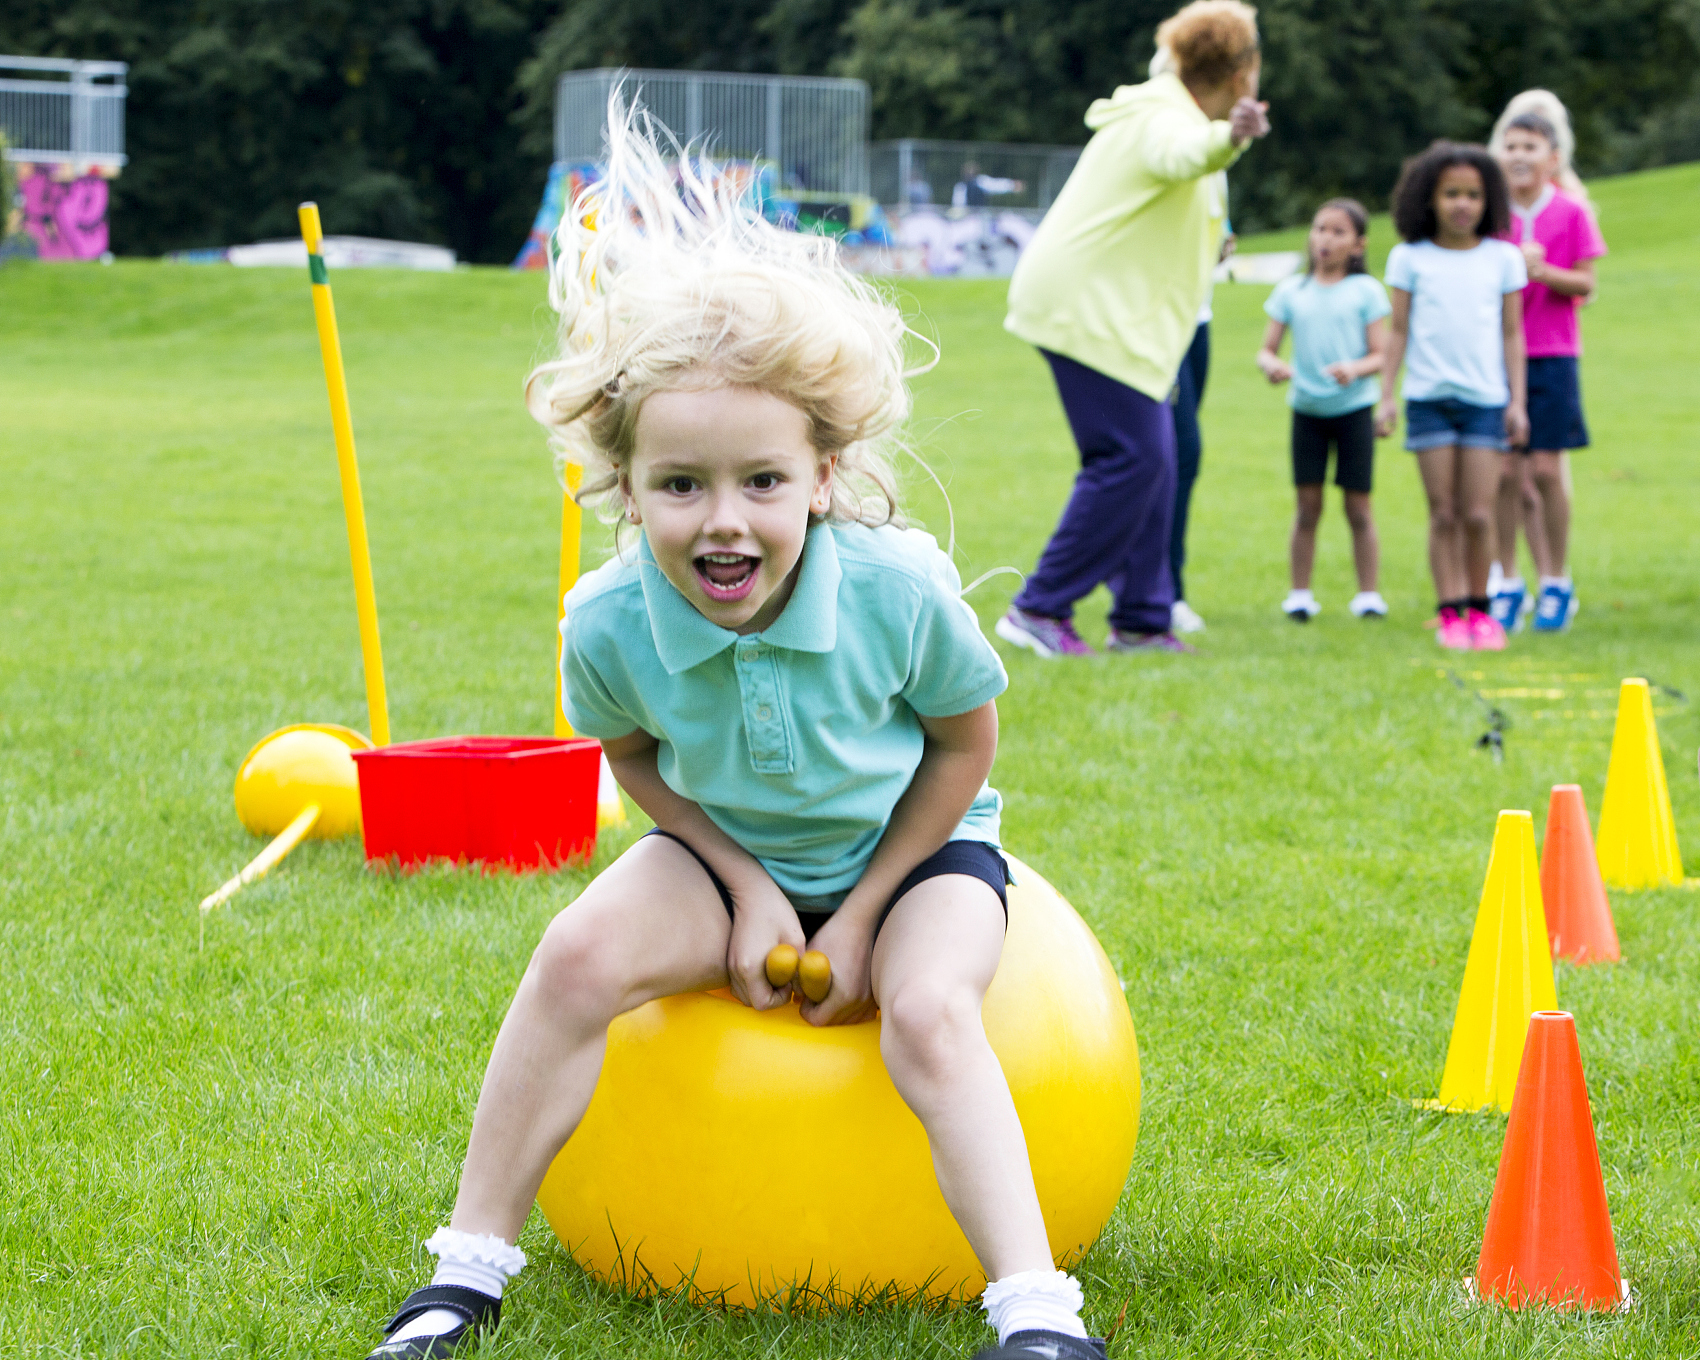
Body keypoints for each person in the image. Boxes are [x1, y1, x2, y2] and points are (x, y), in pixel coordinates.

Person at [360, 102, 1109, 1360]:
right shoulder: (606, 621)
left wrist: (862, 910)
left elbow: (964, 747)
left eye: (761, 482)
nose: (724, 523)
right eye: (680, 485)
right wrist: (748, 884)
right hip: (727, 858)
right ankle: (464, 1272)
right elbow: (633, 757)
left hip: (917, 856)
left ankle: (1035, 1309)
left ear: (820, 475)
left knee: (928, 1012)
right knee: (571, 958)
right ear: (624, 483)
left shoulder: (895, 587)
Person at [997, 0, 1269, 658]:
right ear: (1239, 72)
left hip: (1117, 318)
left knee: (1159, 463)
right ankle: (1038, 608)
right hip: (1090, 314)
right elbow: (1182, 157)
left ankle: (1143, 620)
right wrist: (1230, 136)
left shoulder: (1163, 111)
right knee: (1132, 458)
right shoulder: (1164, 117)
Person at [1375, 142, 1527, 651]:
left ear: (1490, 201)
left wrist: (1516, 401)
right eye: (1451, 194)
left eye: (1473, 195)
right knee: (1442, 512)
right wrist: (1387, 397)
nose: (1463, 205)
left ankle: (1482, 612)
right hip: (1428, 399)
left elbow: (1511, 335)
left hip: (1485, 401)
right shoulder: (1409, 259)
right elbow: (1397, 331)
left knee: (1479, 513)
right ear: (1429, 199)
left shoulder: (1502, 259)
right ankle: (1450, 613)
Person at [1486, 101, 1606, 634]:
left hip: (1553, 354)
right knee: (1507, 473)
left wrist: (1544, 271)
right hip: (1495, 357)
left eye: (1529, 147)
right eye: (1509, 146)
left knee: (1546, 470)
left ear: (1552, 158)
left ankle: (1556, 581)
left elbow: (1587, 284)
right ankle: (1507, 581)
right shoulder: (1490, 217)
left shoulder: (1571, 212)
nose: (1517, 156)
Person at [1255, 198, 1390, 621]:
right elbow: (1266, 350)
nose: (1325, 239)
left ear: (1358, 244)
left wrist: (1355, 368)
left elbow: (1381, 354)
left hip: (1354, 411)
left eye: (1338, 232)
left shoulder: (1365, 291)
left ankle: (1368, 595)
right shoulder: (1291, 291)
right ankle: (1299, 594)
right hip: (1307, 411)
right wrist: (1273, 366)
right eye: (1319, 229)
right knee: (1308, 507)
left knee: (1358, 508)